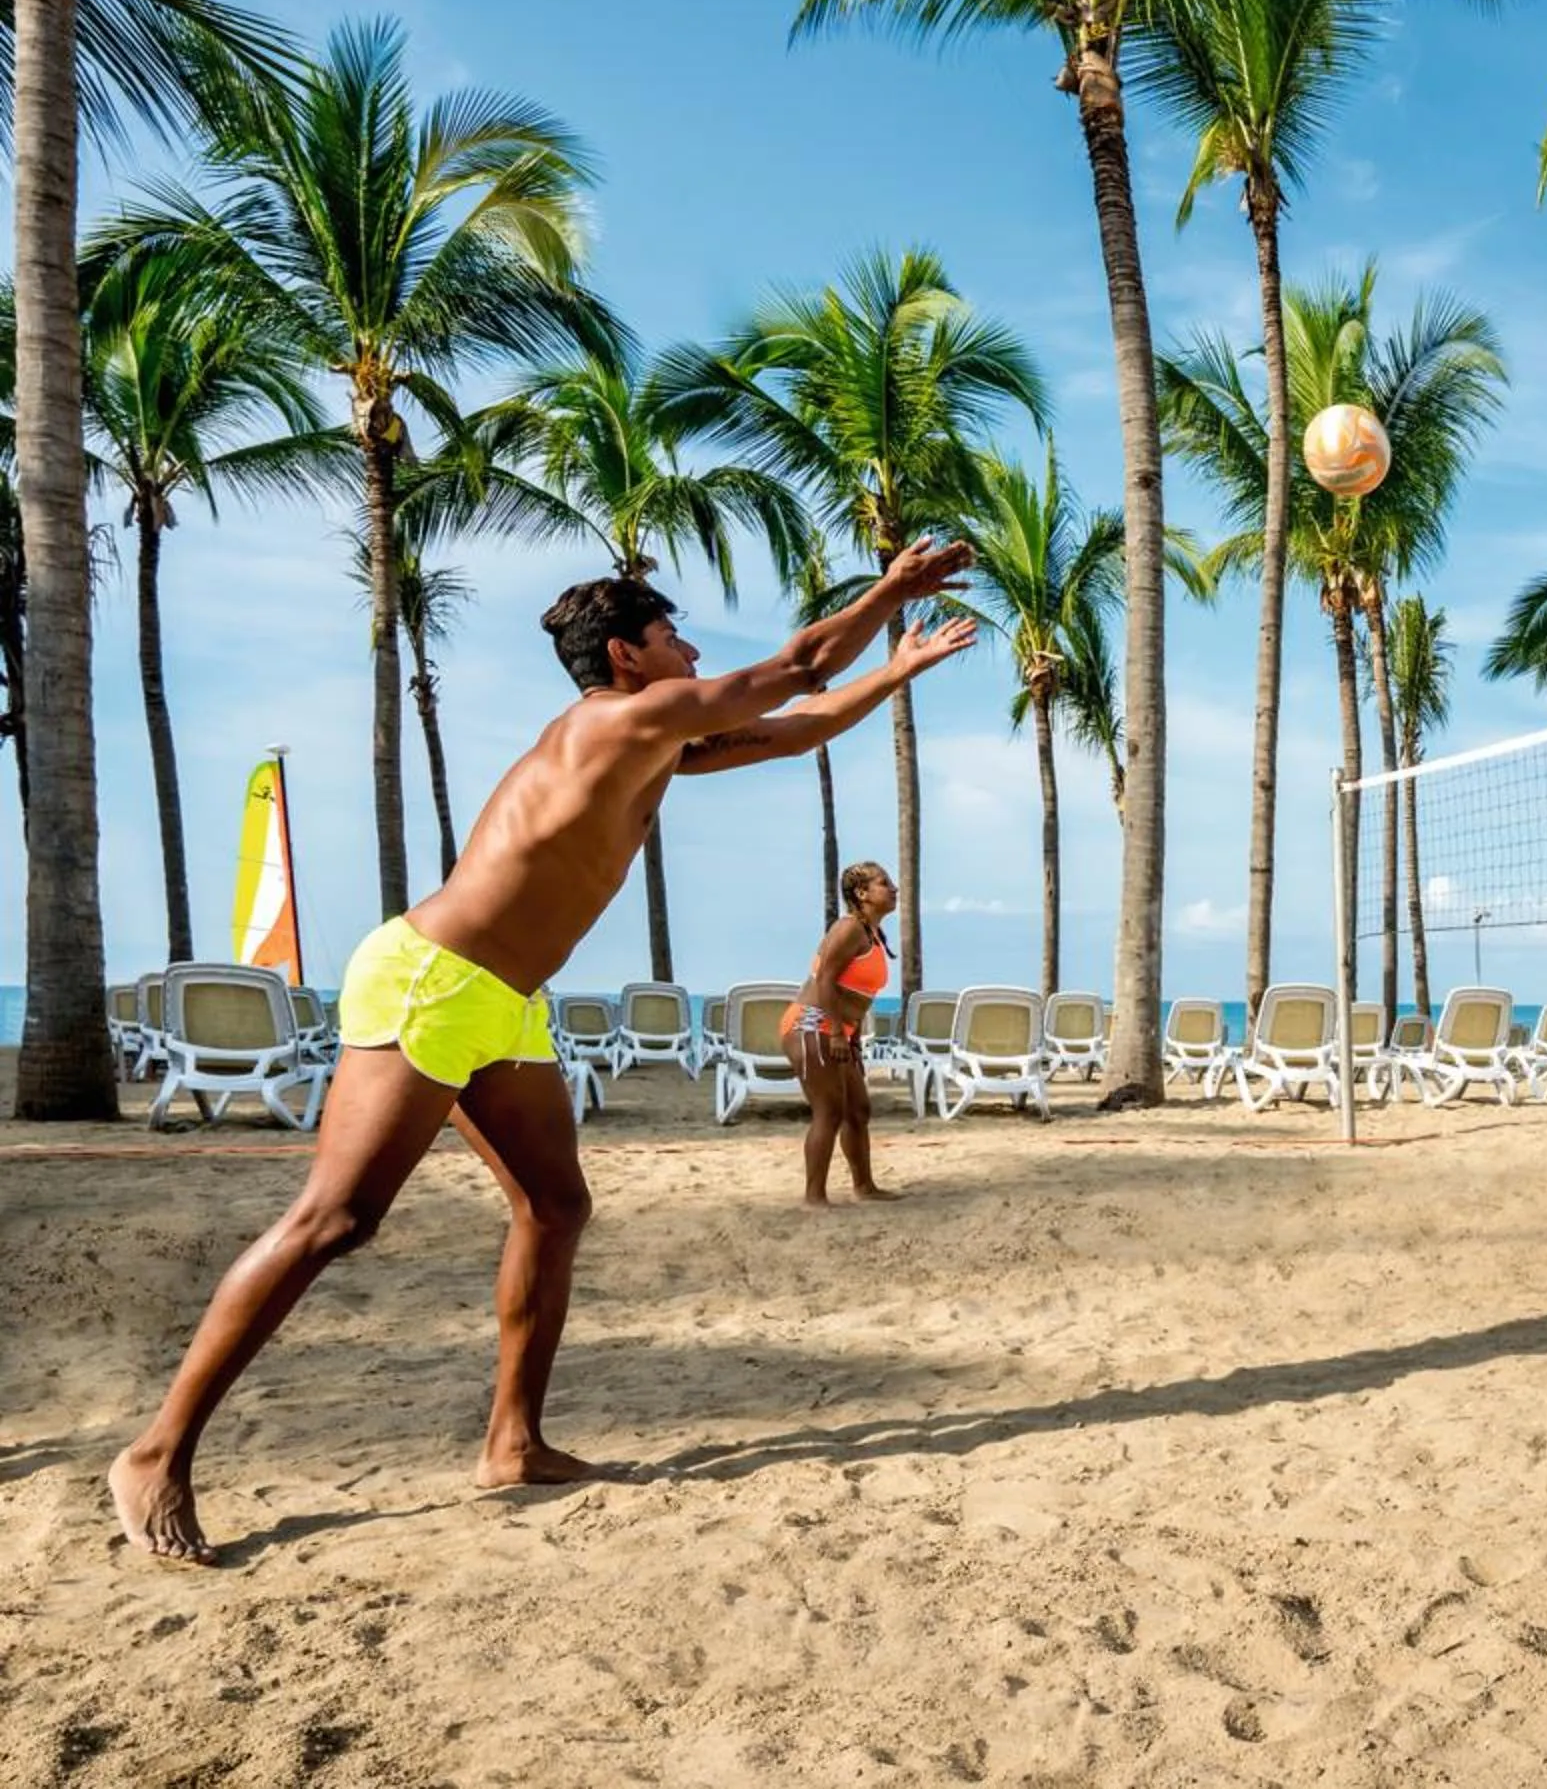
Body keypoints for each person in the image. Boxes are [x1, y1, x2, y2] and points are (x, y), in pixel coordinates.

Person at [108, 540, 979, 1564]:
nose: (691, 647)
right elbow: (792, 670)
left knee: (556, 1206)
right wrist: (893, 588)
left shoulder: (656, 739)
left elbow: (797, 728)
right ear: (625, 655)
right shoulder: (616, 719)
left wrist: (900, 667)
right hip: (431, 979)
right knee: (336, 1219)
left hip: (505, 1003)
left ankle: (512, 1442)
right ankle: (156, 1452)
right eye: (670, 636)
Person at [788, 861, 900, 1206]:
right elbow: (825, 979)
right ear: (862, 893)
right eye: (885, 883)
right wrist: (836, 1032)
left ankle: (864, 1187)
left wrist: (851, 1039)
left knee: (858, 1109)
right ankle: (814, 1197)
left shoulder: (871, 934)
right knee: (830, 1110)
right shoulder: (849, 928)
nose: (894, 889)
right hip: (810, 1026)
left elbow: (856, 995)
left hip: (836, 1030)